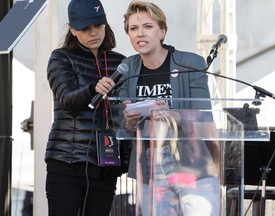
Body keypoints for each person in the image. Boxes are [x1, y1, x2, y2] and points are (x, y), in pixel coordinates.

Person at [118, 1, 220, 215]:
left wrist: (174, 114)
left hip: (192, 167)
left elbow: (204, 118)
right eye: (133, 29)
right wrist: (129, 121)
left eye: (148, 26)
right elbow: (122, 121)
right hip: (150, 167)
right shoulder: (128, 68)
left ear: (162, 31)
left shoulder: (190, 63)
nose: (140, 34)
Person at [44, 0, 129, 215]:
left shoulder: (120, 62)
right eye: (85, 28)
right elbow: (67, 99)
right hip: (67, 162)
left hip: (106, 165)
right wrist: (93, 88)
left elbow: (123, 116)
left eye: (98, 26)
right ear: (72, 29)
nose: (94, 33)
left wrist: (123, 161)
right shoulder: (61, 57)